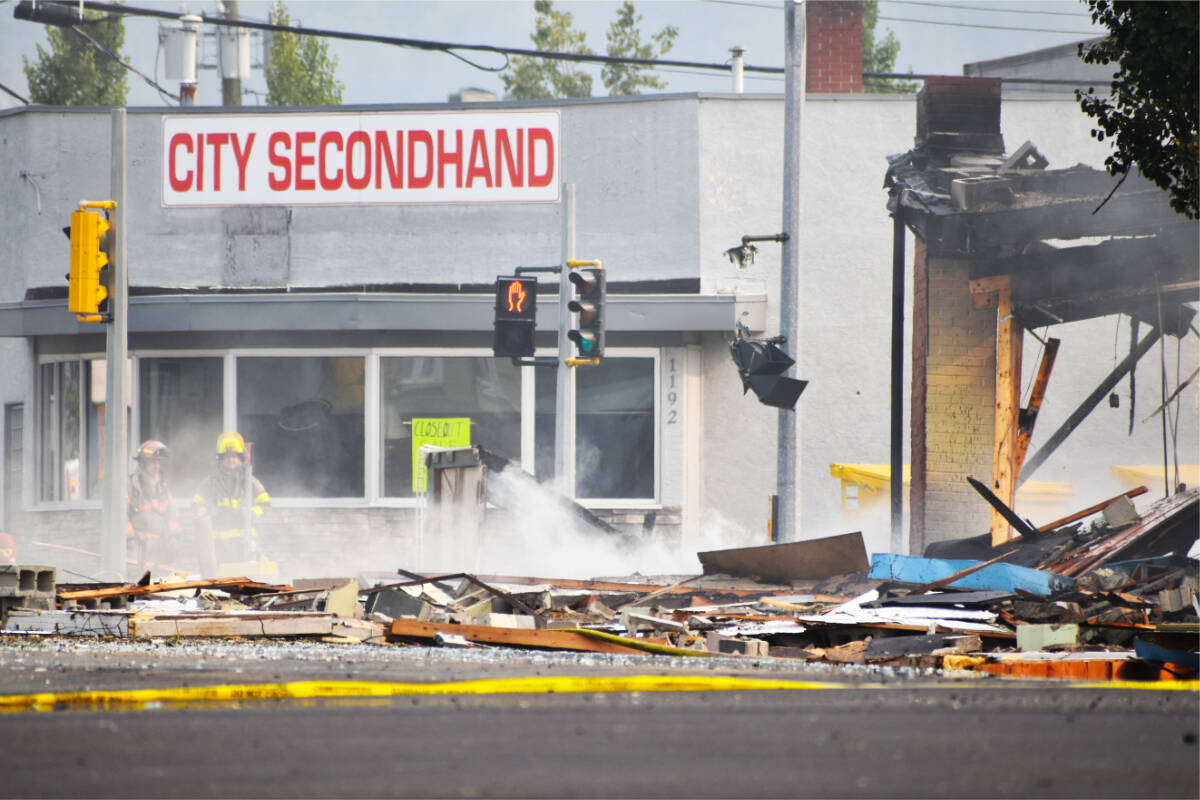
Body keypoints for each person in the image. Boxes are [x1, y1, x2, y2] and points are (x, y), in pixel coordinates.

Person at [192, 431, 272, 577]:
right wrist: (209, 512)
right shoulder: (210, 483)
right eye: (227, 456)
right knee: (220, 579)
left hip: (244, 541)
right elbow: (197, 506)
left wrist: (252, 513)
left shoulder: (249, 481)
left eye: (234, 456)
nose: (231, 460)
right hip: (218, 544)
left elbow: (265, 504)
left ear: (241, 459)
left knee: (246, 579)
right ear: (221, 459)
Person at [126, 440, 180, 575]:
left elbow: (173, 515)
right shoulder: (131, 486)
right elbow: (122, 516)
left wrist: (173, 538)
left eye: (158, 462)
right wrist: (130, 539)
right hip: (137, 552)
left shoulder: (163, 489)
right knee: (135, 588)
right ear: (143, 463)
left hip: (159, 553)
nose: (156, 466)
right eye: (152, 462)